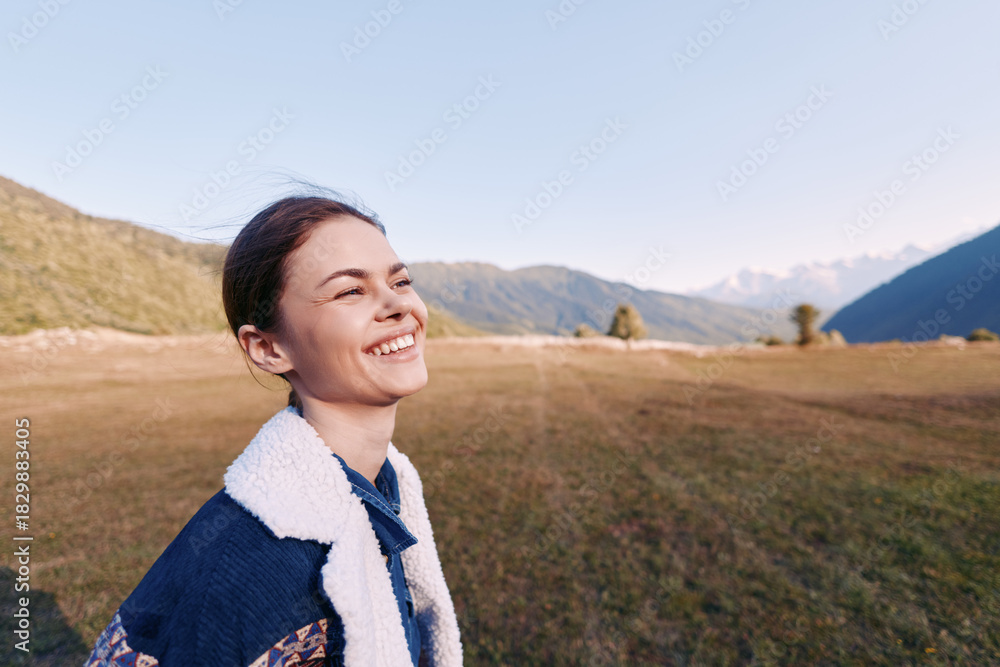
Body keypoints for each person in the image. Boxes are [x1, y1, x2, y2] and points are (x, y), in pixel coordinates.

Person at [84, 194, 463, 666]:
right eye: (350, 291)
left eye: (400, 280)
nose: (397, 304)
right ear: (267, 348)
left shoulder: (382, 488)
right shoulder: (243, 572)